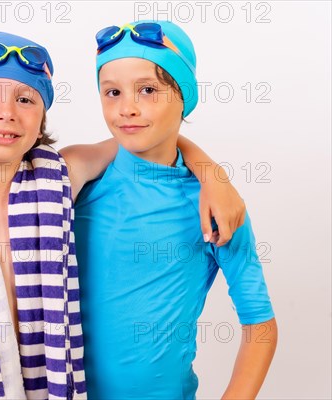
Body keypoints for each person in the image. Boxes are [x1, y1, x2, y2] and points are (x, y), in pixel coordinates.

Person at [0, 29, 247, 399]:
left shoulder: (63, 175)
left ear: (41, 121)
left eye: (26, 100)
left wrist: (215, 176)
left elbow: (143, 134)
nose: (6, 113)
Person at [74, 21, 277, 399]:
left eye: (148, 90)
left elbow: (260, 325)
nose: (127, 108)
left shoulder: (216, 206)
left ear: (183, 95)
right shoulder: (79, 179)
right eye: (112, 92)